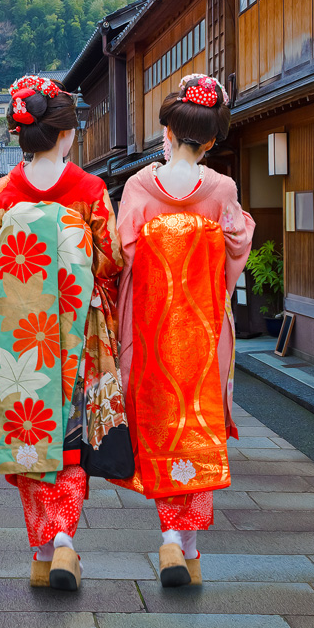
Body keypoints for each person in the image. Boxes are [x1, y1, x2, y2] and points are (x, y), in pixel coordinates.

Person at [0, 75, 132, 591]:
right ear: (65, 136)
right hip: (74, 336)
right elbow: (111, 260)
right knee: (70, 436)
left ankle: (43, 551)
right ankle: (63, 543)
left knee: (26, 434)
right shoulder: (90, 190)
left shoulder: (1, 195)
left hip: (17, 337)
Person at [112, 73, 255, 587]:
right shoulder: (222, 189)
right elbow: (235, 249)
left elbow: (121, 255)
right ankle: (181, 542)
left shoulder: (137, 187)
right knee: (198, 428)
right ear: (212, 140)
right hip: (202, 333)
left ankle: (174, 539)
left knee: (159, 427)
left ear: (165, 133)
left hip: (150, 336)